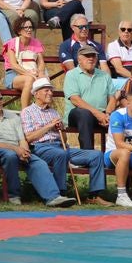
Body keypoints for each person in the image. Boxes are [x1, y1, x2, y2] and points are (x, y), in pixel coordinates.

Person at [0, 86, 76, 208]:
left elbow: (22, 138)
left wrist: (25, 150)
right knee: (10, 155)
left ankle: (53, 197)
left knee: (39, 163)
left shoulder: (13, 116)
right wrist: (17, 149)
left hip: (19, 149)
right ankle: (14, 195)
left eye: (0, 98)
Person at [21, 77, 111, 206]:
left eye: (51, 91)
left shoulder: (54, 112)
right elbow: (29, 137)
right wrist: (49, 126)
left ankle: (94, 195)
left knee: (96, 155)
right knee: (60, 154)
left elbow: (63, 140)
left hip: (61, 147)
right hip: (41, 148)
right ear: (36, 94)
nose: (50, 93)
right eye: (46, 91)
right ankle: (60, 193)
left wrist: (61, 130)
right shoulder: (27, 112)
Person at [64, 45, 119, 150]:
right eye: (87, 56)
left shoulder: (104, 75)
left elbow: (112, 98)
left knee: (123, 115)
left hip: (102, 114)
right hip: (77, 115)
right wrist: (98, 114)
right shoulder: (71, 75)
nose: (91, 58)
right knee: (85, 114)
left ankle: (117, 157)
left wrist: (107, 114)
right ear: (79, 59)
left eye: (93, 56)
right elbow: (75, 100)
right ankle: (88, 154)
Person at [2, 16, 45, 109]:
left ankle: (42, 112)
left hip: (33, 73)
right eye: (26, 27)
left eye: (30, 27)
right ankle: (25, 112)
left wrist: (40, 73)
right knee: (29, 79)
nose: (29, 30)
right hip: (14, 75)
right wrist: (30, 74)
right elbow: (13, 65)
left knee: (45, 83)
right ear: (19, 30)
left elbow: (41, 62)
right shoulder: (12, 43)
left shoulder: (36, 42)